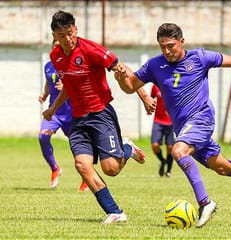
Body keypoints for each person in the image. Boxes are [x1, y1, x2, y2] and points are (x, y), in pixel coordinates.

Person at [114, 23, 231, 228]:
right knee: (222, 167)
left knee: (178, 150)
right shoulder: (154, 65)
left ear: (182, 42)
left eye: (171, 45)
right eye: (162, 47)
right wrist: (121, 79)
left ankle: (205, 203)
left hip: (201, 119)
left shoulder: (200, 58)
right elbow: (131, 87)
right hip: (184, 127)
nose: (167, 51)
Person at [43, 10, 150, 224]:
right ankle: (115, 212)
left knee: (111, 169)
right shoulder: (55, 57)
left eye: (71, 33)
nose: (68, 39)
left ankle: (126, 148)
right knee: (82, 165)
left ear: (76, 29)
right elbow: (70, 86)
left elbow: (123, 69)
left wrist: (144, 95)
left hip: (101, 114)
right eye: (62, 35)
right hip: (78, 119)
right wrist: (53, 108)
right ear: (54, 35)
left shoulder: (91, 49)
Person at [38, 39, 89, 192]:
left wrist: (68, 87)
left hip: (72, 114)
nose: (57, 50)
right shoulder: (48, 66)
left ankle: (86, 178)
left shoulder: (73, 65)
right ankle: (55, 168)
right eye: (55, 47)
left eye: (59, 47)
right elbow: (49, 82)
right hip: (54, 112)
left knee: (79, 148)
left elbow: (83, 86)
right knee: (43, 136)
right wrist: (45, 94)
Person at [150, 84, 174, 177]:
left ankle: (168, 171)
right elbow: (150, 98)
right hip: (158, 121)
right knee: (155, 145)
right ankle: (163, 161)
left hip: (170, 121)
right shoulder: (155, 86)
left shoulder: (173, 84)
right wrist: (149, 107)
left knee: (170, 147)